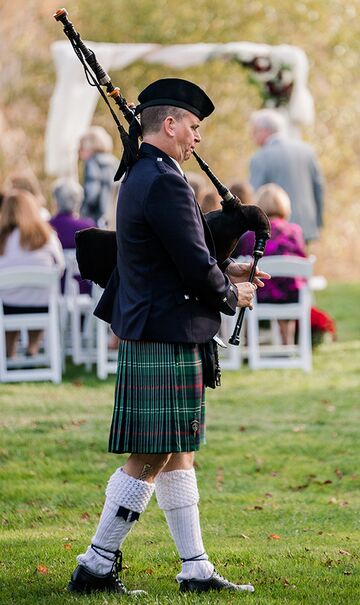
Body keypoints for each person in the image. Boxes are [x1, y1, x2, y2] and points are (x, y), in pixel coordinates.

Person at [68, 77, 270, 596]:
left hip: (161, 325)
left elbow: (181, 249)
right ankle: (95, 563)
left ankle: (195, 568)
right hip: (164, 329)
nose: (197, 138)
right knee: (150, 456)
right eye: (194, 127)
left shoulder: (148, 173)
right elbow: (191, 265)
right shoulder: (162, 179)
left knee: (178, 453)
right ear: (171, 123)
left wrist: (235, 269)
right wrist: (233, 294)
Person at [236, 183, 307, 345]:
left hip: (260, 295)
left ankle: (246, 341)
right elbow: (302, 259)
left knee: (249, 285)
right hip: (291, 295)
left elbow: (242, 262)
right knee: (288, 284)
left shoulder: (249, 235)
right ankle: (286, 342)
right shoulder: (295, 231)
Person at [0, 190, 65, 357]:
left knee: (11, 297)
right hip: (42, 305)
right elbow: (60, 267)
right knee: (38, 294)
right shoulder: (47, 237)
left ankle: (9, 351)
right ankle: (33, 347)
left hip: (8, 306)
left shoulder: (2, 240)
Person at [249, 109, 325, 243]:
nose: (252, 136)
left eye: (254, 131)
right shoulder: (306, 151)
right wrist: (318, 221)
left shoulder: (260, 158)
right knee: (302, 263)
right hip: (307, 226)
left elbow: (254, 197)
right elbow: (319, 188)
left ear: (264, 131)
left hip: (275, 233)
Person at [50, 177, 95, 294]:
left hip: (55, 289)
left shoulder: (46, 227)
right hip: (83, 289)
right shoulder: (89, 227)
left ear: (56, 200)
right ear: (79, 201)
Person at [78, 126, 118, 226]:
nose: (79, 151)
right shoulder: (115, 162)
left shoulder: (92, 163)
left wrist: (83, 213)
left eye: (81, 146)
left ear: (89, 146)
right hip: (113, 217)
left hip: (95, 219)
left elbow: (92, 194)